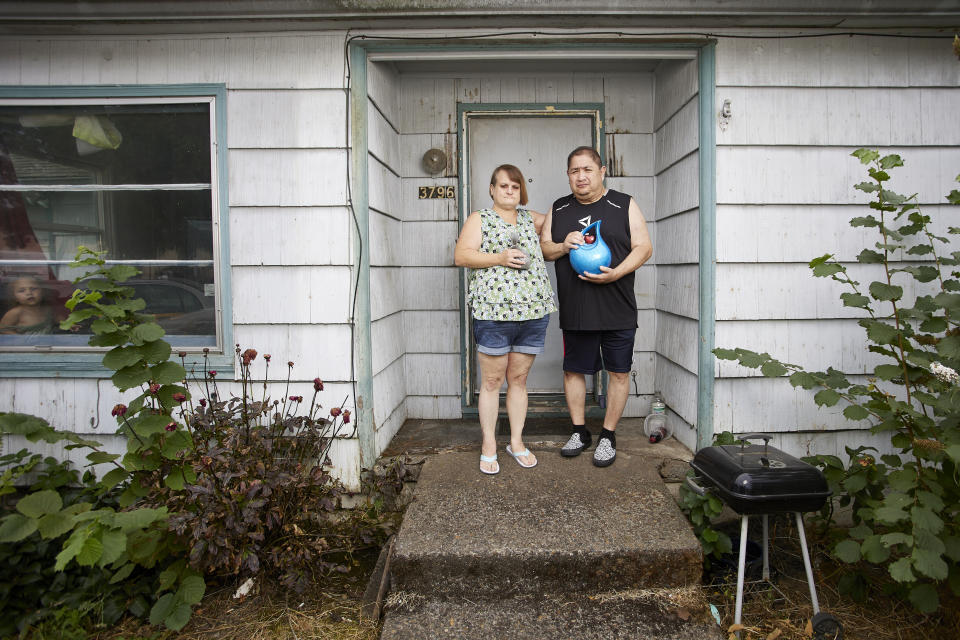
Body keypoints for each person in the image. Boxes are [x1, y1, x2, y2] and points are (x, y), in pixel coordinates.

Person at [539, 146, 652, 467]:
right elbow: (545, 249)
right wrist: (563, 244)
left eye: (587, 169)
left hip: (618, 305)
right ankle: (579, 431)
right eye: (574, 171)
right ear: (568, 175)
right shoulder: (559, 208)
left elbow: (644, 246)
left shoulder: (624, 204)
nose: (581, 176)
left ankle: (608, 435)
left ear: (601, 172)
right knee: (574, 370)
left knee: (618, 371)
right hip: (577, 307)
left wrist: (617, 272)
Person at [454, 164, 557, 475]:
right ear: (492, 189)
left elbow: (557, 216)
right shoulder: (480, 219)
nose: (509, 191)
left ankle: (516, 441)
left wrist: (563, 240)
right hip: (493, 314)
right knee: (491, 382)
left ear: (520, 190)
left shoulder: (531, 219)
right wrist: (499, 257)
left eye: (515, 186)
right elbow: (461, 256)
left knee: (519, 381)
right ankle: (489, 444)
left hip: (532, 314)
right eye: (503, 186)